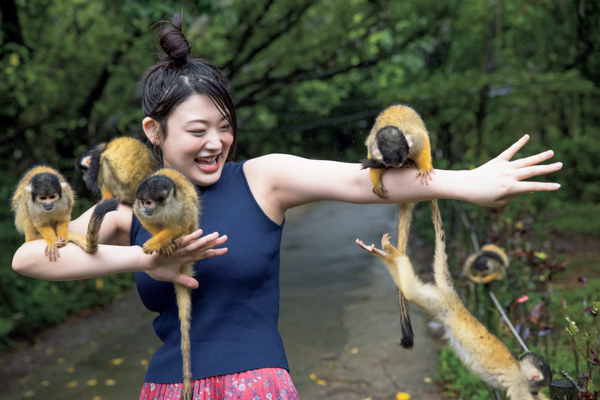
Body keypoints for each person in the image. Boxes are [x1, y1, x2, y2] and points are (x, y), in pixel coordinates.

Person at [11, 14, 562, 400]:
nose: (215, 142)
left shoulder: (262, 178)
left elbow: (363, 181)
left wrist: (466, 182)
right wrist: (142, 261)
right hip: (169, 388)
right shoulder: (131, 208)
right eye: (198, 129)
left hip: (258, 387)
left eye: (224, 128)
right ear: (154, 131)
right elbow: (29, 258)